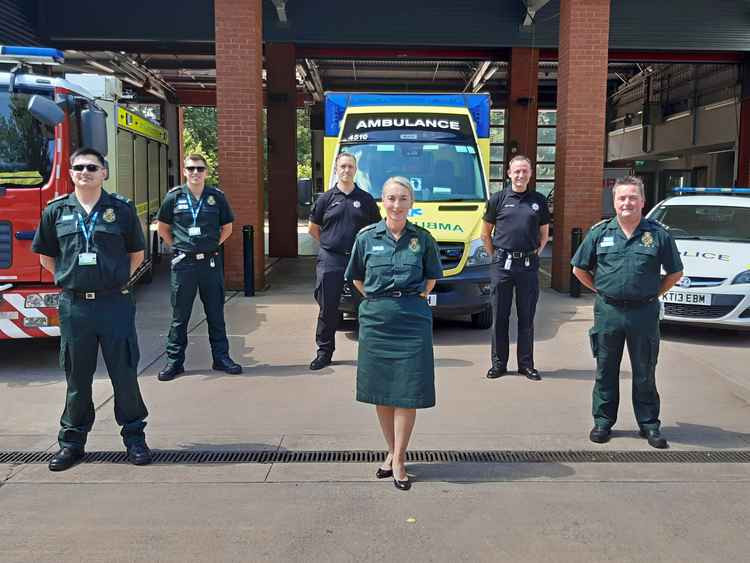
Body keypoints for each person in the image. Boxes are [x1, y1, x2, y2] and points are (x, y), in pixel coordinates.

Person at [32, 147, 151, 471]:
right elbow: (46, 256)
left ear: (104, 173)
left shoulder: (121, 210)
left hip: (114, 303)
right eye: (79, 167)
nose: (85, 172)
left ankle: (135, 439)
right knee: (77, 378)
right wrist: (70, 278)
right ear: (71, 173)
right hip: (75, 307)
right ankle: (71, 444)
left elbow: (136, 254)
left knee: (124, 374)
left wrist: (114, 282)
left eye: (92, 167)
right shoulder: (56, 211)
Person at [345, 177, 443, 491]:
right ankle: (391, 450)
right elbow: (357, 278)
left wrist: (407, 299)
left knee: (408, 391)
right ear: (382, 202)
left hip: (412, 322)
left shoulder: (423, 239)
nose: (397, 205)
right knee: (383, 392)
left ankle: (399, 458)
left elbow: (431, 279)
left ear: (411, 203)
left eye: (402, 199)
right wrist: (380, 299)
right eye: (391, 198)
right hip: (376, 321)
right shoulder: (366, 238)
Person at [572, 176, 683, 449]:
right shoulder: (600, 232)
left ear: (643, 202)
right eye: (622, 198)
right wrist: (601, 291)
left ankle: (649, 424)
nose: (627, 203)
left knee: (645, 370)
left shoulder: (658, 234)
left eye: (633, 197)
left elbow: (675, 272)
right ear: (614, 201)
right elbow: (579, 269)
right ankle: (603, 422)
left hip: (644, 312)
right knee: (605, 368)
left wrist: (654, 294)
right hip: (608, 311)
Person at [156, 154, 242, 381]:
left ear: (206, 172)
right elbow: (162, 227)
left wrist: (213, 245)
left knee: (215, 313)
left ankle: (221, 358)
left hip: (210, 264)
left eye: (200, 169)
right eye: (191, 168)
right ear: (185, 171)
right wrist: (178, 246)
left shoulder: (216, 197)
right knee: (180, 316)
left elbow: (227, 227)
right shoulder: (174, 197)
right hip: (184, 265)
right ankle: (174, 362)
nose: (195, 173)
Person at [308, 152, 381, 370]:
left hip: (359, 262)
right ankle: (324, 353)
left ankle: (370, 354)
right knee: (328, 308)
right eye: (343, 166)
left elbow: (375, 229)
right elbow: (313, 228)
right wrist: (331, 244)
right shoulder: (326, 199)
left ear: (355, 169)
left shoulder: (366, 199)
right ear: (336, 170)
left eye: (350, 166)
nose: (346, 170)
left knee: (365, 308)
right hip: (331, 260)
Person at [480, 155, 550, 381]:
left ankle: (526, 365)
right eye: (516, 171)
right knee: (500, 316)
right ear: (508, 173)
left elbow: (544, 234)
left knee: (526, 317)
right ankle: (499, 364)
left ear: (530, 174)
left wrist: (531, 255)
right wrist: (498, 257)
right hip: (502, 266)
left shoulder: (538, 200)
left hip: (528, 267)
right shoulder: (498, 200)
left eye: (525, 171)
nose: (520, 175)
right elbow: (485, 234)